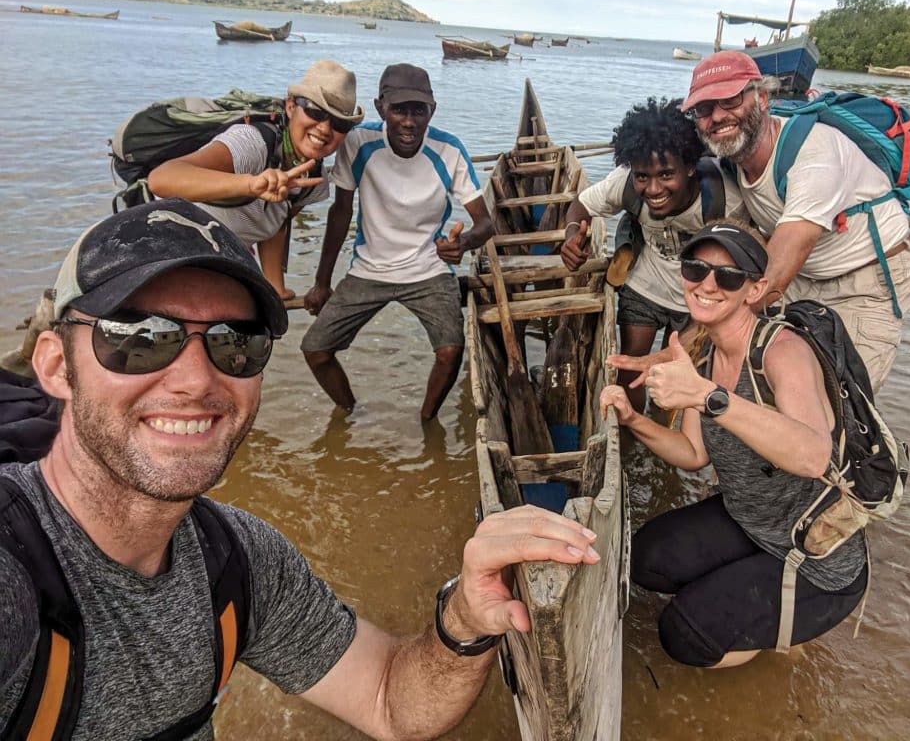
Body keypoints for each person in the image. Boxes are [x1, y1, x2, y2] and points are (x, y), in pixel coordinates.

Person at [0, 200, 600, 739]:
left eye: (236, 343)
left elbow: (389, 699)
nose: (195, 379)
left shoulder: (237, 559)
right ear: (55, 365)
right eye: (141, 337)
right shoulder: (14, 573)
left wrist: (463, 618)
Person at [601, 222, 867, 668]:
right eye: (695, 268)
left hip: (817, 554)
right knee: (646, 559)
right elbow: (694, 454)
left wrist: (706, 397)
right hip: (751, 520)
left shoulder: (782, 351)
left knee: (683, 635)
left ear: (755, 289)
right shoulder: (703, 353)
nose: (707, 284)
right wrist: (632, 419)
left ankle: (779, 631)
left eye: (727, 276)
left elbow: (812, 454)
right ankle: (745, 593)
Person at [681, 51, 910, 391]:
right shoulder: (731, 152)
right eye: (704, 109)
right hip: (802, 274)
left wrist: (689, 340)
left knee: (841, 401)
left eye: (731, 99)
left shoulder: (815, 157)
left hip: (864, 280)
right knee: (758, 378)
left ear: (762, 98)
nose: (718, 116)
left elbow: (773, 279)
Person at [301, 63, 494, 420]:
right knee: (315, 349)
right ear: (380, 108)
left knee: (451, 350)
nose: (409, 121)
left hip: (428, 270)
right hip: (369, 270)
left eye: (418, 110)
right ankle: (352, 412)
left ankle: (426, 421)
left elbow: (486, 223)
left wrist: (463, 243)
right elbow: (340, 213)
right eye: (399, 110)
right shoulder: (359, 143)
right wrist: (321, 283)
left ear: (431, 111)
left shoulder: (448, 151)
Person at [560, 97, 744, 412]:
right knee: (630, 368)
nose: (654, 189)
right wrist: (572, 234)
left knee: (677, 378)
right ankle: (634, 433)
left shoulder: (725, 203)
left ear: (689, 167)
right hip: (644, 286)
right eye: (643, 177)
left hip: (696, 297)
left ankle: (664, 436)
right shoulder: (625, 183)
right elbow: (581, 205)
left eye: (666, 175)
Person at [148, 60, 364, 300]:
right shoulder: (252, 144)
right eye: (316, 112)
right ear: (291, 106)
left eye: (339, 123)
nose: (325, 129)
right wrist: (250, 184)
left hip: (218, 263)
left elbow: (273, 223)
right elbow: (161, 179)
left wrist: (275, 289)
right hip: (161, 254)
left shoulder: (314, 180)